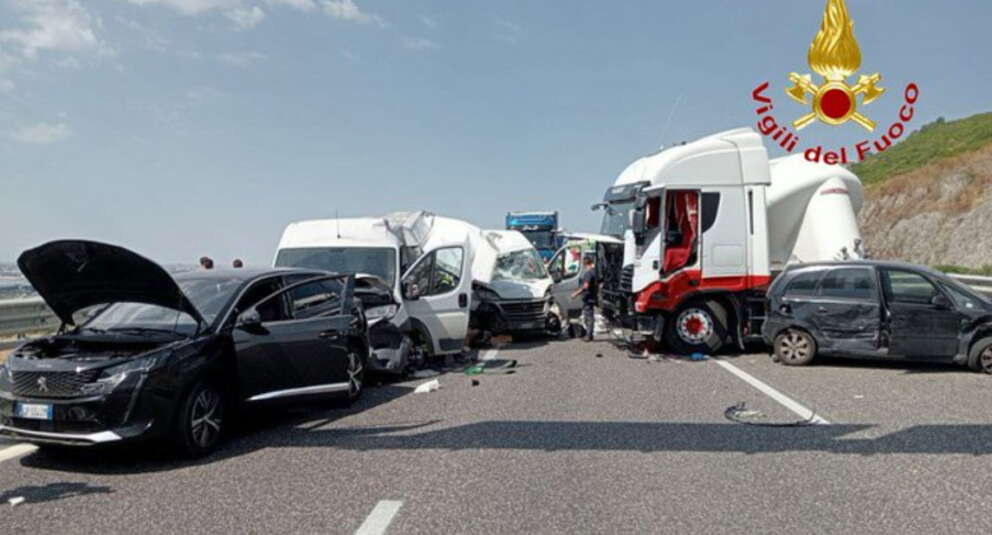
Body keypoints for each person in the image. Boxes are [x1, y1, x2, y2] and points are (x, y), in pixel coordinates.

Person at [570, 257, 597, 342]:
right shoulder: (595, 272)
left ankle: (589, 335)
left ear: (585, 264)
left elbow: (585, 286)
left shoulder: (588, 274)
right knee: (590, 316)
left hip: (588, 297)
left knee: (588, 317)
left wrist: (575, 293)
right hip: (593, 296)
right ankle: (590, 334)